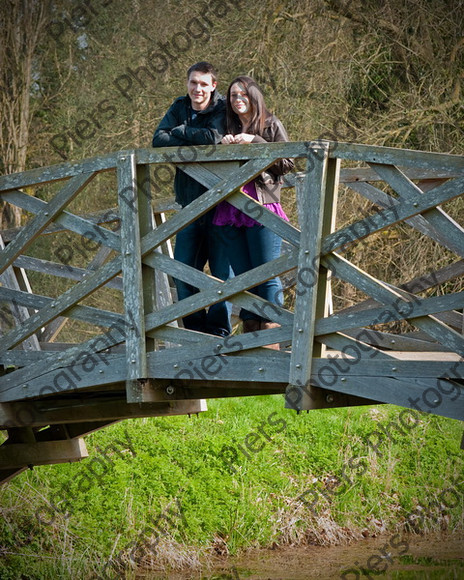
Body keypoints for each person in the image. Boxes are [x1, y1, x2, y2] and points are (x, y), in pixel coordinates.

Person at [213, 75, 294, 348]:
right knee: (244, 274)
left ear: (254, 97)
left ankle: (271, 339)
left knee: (267, 271)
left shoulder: (270, 124)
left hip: (262, 205)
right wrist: (221, 147)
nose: (237, 100)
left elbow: (287, 162)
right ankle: (250, 335)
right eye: (233, 96)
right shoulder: (226, 126)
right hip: (231, 207)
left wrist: (255, 140)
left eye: (242, 95)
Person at [152, 61, 232, 337]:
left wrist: (181, 132)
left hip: (223, 204)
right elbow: (158, 140)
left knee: (223, 276)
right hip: (188, 205)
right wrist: (187, 134)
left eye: (203, 84)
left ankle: (219, 332)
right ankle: (195, 333)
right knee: (182, 270)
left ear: (213, 86)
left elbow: (213, 136)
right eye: (193, 83)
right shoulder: (179, 106)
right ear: (187, 84)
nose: (197, 89)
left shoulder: (223, 108)